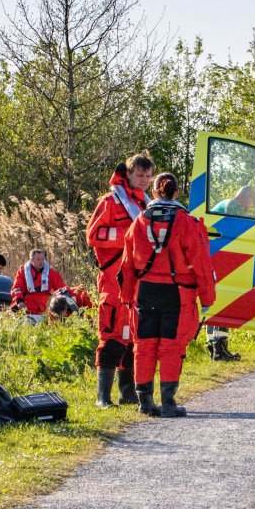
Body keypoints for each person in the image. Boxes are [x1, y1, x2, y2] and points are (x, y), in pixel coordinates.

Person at [124, 171, 215, 417]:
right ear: (176, 192)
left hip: (145, 291)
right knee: (171, 347)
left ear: (153, 192)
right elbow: (201, 265)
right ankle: (168, 403)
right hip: (177, 293)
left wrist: (126, 296)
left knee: (144, 346)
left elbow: (127, 265)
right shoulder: (187, 223)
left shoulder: (139, 222)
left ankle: (145, 402)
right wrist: (207, 298)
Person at [85, 154, 153, 408]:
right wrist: (129, 235)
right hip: (113, 278)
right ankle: (103, 397)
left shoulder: (147, 203)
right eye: (139, 175)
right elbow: (93, 235)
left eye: (148, 176)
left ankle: (128, 393)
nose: (144, 180)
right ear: (128, 174)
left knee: (133, 336)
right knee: (112, 334)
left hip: (137, 281)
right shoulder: (111, 201)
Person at [14, 249, 67, 316]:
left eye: (42, 259)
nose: (41, 262)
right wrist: (19, 302)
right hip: (23, 303)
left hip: (39, 306)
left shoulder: (51, 274)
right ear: (31, 260)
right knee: (10, 312)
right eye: (38, 259)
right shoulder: (22, 272)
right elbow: (16, 288)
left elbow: (63, 290)